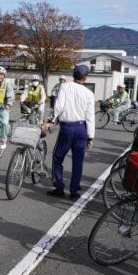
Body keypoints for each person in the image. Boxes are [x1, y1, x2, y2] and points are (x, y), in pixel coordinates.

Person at [45, 64, 95, 199]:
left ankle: (59, 187)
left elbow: (59, 106)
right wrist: (90, 137)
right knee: (78, 161)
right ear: (85, 78)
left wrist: (50, 120)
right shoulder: (89, 93)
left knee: (57, 157)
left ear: (74, 75)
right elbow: (90, 116)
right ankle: (74, 191)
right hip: (82, 129)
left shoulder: (65, 87)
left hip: (67, 128)